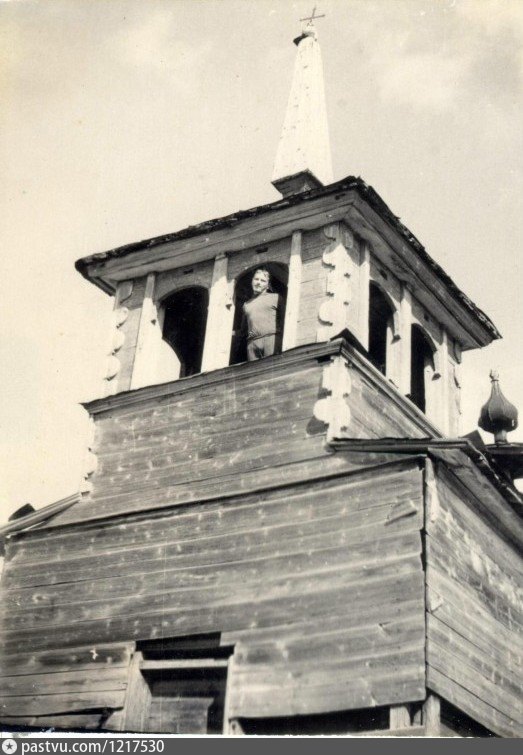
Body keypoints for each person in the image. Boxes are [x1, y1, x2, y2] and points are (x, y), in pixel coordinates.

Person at [241, 268, 283, 361]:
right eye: (256, 279)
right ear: (252, 281)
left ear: (268, 285)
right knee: (254, 369)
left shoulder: (276, 298)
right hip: (252, 343)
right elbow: (243, 330)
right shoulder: (246, 304)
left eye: (262, 280)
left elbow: (284, 320)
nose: (258, 282)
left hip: (271, 339)